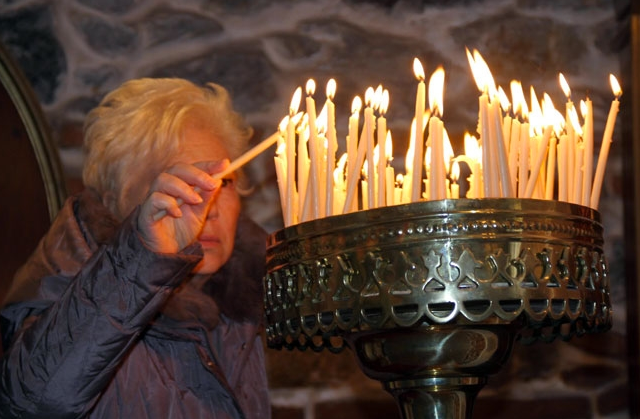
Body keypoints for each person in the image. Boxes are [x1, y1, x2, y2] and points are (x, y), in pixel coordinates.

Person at [0, 78, 271, 418]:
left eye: (225, 182)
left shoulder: (242, 298)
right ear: (116, 201)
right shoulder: (64, 286)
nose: (209, 206)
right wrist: (142, 257)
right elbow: (29, 405)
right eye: (183, 182)